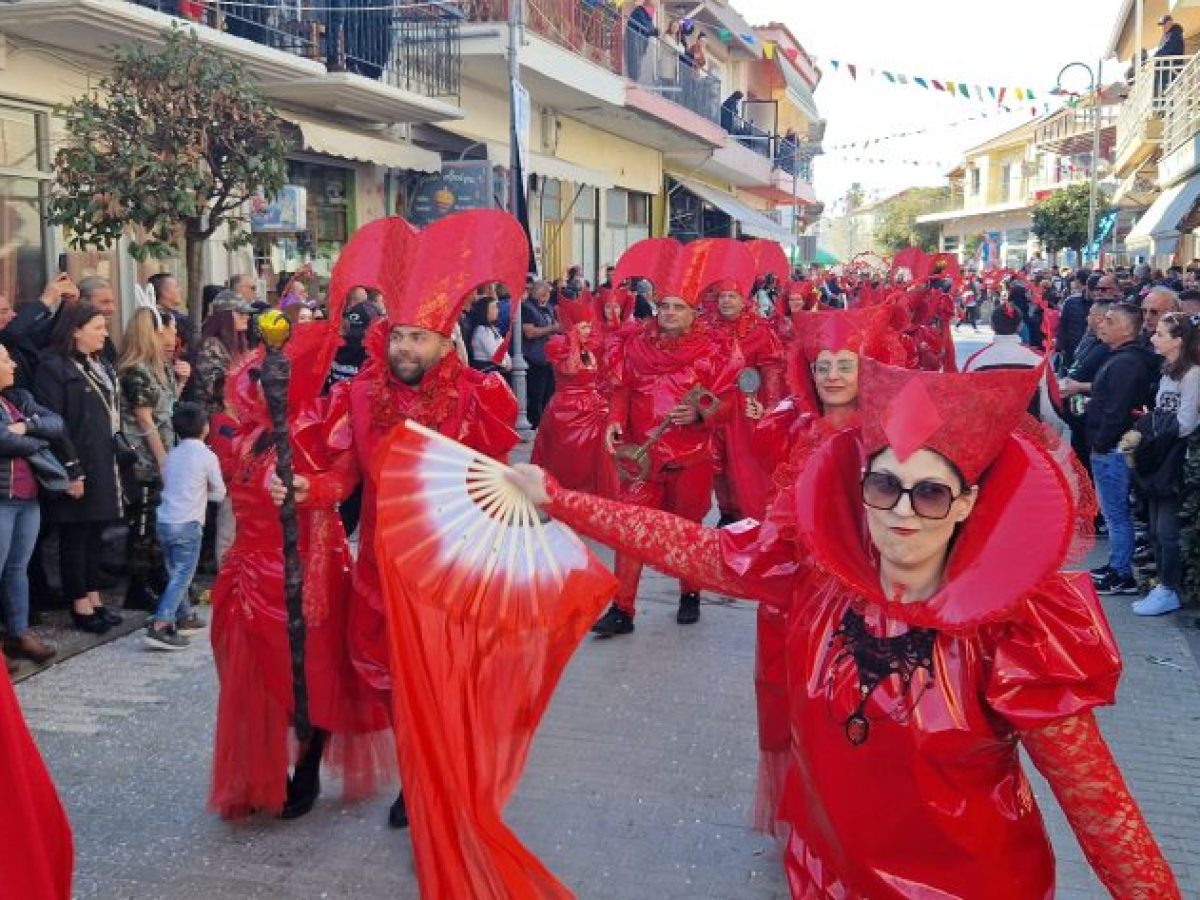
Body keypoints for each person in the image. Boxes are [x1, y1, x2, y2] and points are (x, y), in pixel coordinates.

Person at [507, 360, 1181, 898]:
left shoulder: (1010, 634)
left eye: (931, 493)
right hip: (825, 873)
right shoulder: (818, 578)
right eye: (884, 487)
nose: (903, 513)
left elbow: (1100, 806)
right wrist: (560, 499)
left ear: (966, 505)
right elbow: (701, 551)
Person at [296, 211, 524, 829]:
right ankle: (413, 767)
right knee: (390, 678)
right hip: (378, 565)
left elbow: (495, 486)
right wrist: (301, 487)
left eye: (419, 337)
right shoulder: (360, 397)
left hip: (448, 569)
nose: (404, 347)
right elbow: (342, 479)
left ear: (447, 342)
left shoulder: (479, 399)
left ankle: (429, 776)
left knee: (441, 680)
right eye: (398, 335)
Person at [211, 332, 392, 820]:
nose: (260, 386)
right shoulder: (243, 432)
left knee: (310, 672)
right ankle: (258, 774)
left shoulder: (319, 421)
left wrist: (308, 489)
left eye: (274, 378)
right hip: (248, 567)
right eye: (257, 377)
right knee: (248, 678)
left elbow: (347, 477)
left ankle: (308, 764)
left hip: (307, 562)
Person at [591, 238, 746, 636]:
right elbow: (623, 388)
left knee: (688, 528)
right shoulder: (635, 345)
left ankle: (690, 592)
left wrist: (699, 412)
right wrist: (614, 419)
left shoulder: (715, 350)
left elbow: (730, 402)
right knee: (631, 530)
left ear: (694, 311)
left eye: (679, 307)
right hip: (641, 456)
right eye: (664, 306)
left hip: (690, 455)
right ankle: (622, 609)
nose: (669, 313)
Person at [33, 302, 124, 634]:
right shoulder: (53, 367)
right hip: (76, 460)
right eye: (97, 328)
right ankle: (79, 603)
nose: (104, 333)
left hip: (103, 458)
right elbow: (54, 422)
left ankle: (93, 594)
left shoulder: (98, 364)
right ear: (75, 330)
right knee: (76, 532)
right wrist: (70, 469)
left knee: (96, 530)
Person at [1122, 312, 1200, 616]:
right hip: (1158, 455)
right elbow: (1162, 413)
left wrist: (1151, 429)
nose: (1153, 338)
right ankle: (1163, 586)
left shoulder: (1192, 375)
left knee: (1166, 529)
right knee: (1155, 526)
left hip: (1174, 458)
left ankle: (1169, 588)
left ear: (1178, 340)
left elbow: (1185, 423)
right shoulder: (1168, 371)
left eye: (1160, 334)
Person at [118, 307, 187, 611]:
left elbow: (166, 408)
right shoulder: (136, 371)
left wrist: (181, 383)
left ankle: (157, 575)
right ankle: (138, 584)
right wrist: (163, 460)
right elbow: (145, 420)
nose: (174, 337)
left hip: (166, 449)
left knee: (160, 520)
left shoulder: (160, 367)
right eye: (169, 330)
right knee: (144, 524)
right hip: (144, 458)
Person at [0, 344, 64, 669]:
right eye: (5, 359)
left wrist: (27, 427)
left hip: (28, 497)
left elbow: (56, 423)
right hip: (3, 498)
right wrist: (37, 441)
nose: (12, 364)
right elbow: (2, 440)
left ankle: (18, 632)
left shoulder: (17, 398)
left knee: (17, 568)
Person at [1088, 303, 1159, 596]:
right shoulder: (1120, 358)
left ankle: (1121, 574)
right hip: (1111, 447)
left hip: (1112, 450)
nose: (1102, 325)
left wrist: (1101, 444)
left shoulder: (1126, 363)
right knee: (1115, 513)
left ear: (1127, 329)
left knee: (1116, 514)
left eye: (1109, 321)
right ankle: (1117, 565)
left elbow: (1116, 411)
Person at [706, 279, 785, 525]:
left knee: (745, 467)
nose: (726, 301)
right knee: (716, 463)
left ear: (743, 301)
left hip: (744, 406)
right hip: (713, 404)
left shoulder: (760, 331)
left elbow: (771, 370)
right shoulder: (706, 329)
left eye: (731, 296)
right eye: (722, 297)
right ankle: (727, 513)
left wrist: (769, 408)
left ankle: (751, 518)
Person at [147, 402, 224, 649]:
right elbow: (219, 493)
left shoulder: (172, 455)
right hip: (188, 522)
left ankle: (185, 615)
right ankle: (161, 623)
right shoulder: (207, 456)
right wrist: (205, 495)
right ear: (205, 428)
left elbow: (169, 482)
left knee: (174, 571)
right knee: (182, 575)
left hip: (165, 520)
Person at [530, 298, 618, 498]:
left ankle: (587, 502)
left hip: (592, 408)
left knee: (591, 462)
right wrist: (572, 340)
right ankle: (563, 499)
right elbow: (570, 369)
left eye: (590, 326)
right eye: (585, 327)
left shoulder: (588, 348)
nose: (589, 331)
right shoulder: (558, 345)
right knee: (567, 461)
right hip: (566, 412)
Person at [964, 303, 1068, 436]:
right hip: (1028, 439)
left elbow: (967, 407)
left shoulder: (975, 362)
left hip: (988, 438)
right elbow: (1050, 409)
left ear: (992, 326)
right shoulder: (1038, 360)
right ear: (1020, 326)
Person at [193, 293, 252, 417]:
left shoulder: (239, 344)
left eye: (247, 313)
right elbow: (214, 387)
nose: (247, 316)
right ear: (225, 317)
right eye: (241, 313)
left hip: (236, 413)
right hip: (216, 417)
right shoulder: (211, 344)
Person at [521, 281, 560, 428]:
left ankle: (546, 425)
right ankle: (536, 425)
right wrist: (552, 329)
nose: (548, 296)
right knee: (536, 396)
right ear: (539, 293)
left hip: (548, 359)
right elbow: (529, 332)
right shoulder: (527, 307)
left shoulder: (548, 307)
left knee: (548, 396)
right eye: (546, 293)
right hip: (534, 359)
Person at [324, 301, 380, 393]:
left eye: (362, 336)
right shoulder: (334, 347)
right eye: (353, 334)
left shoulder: (382, 357)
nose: (355, 339)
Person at [147, 273, 197, 355]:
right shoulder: (167, 319)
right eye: (176, 287)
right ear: (164, 292)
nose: (180, 290)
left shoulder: (146, 315)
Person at [466, 294, 511, 374]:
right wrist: (506, 364)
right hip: (486, 370)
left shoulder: (492, 329)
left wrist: (508, 362)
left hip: (495, 369)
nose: (498, 310)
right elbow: (495, 355)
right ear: (485, 311)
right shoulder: (482, 330)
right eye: (494, 307)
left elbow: (502, 348)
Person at [624, 0, 657, 84]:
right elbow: (644, 25)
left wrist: (654, 31)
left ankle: (635, 79)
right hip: (635, 39)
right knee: (634, 58)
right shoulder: (640, 10)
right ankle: (633, 79)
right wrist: (652, 31)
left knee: (638, 59)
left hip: (641, 41)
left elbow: (649, 26)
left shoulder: (648, 14)